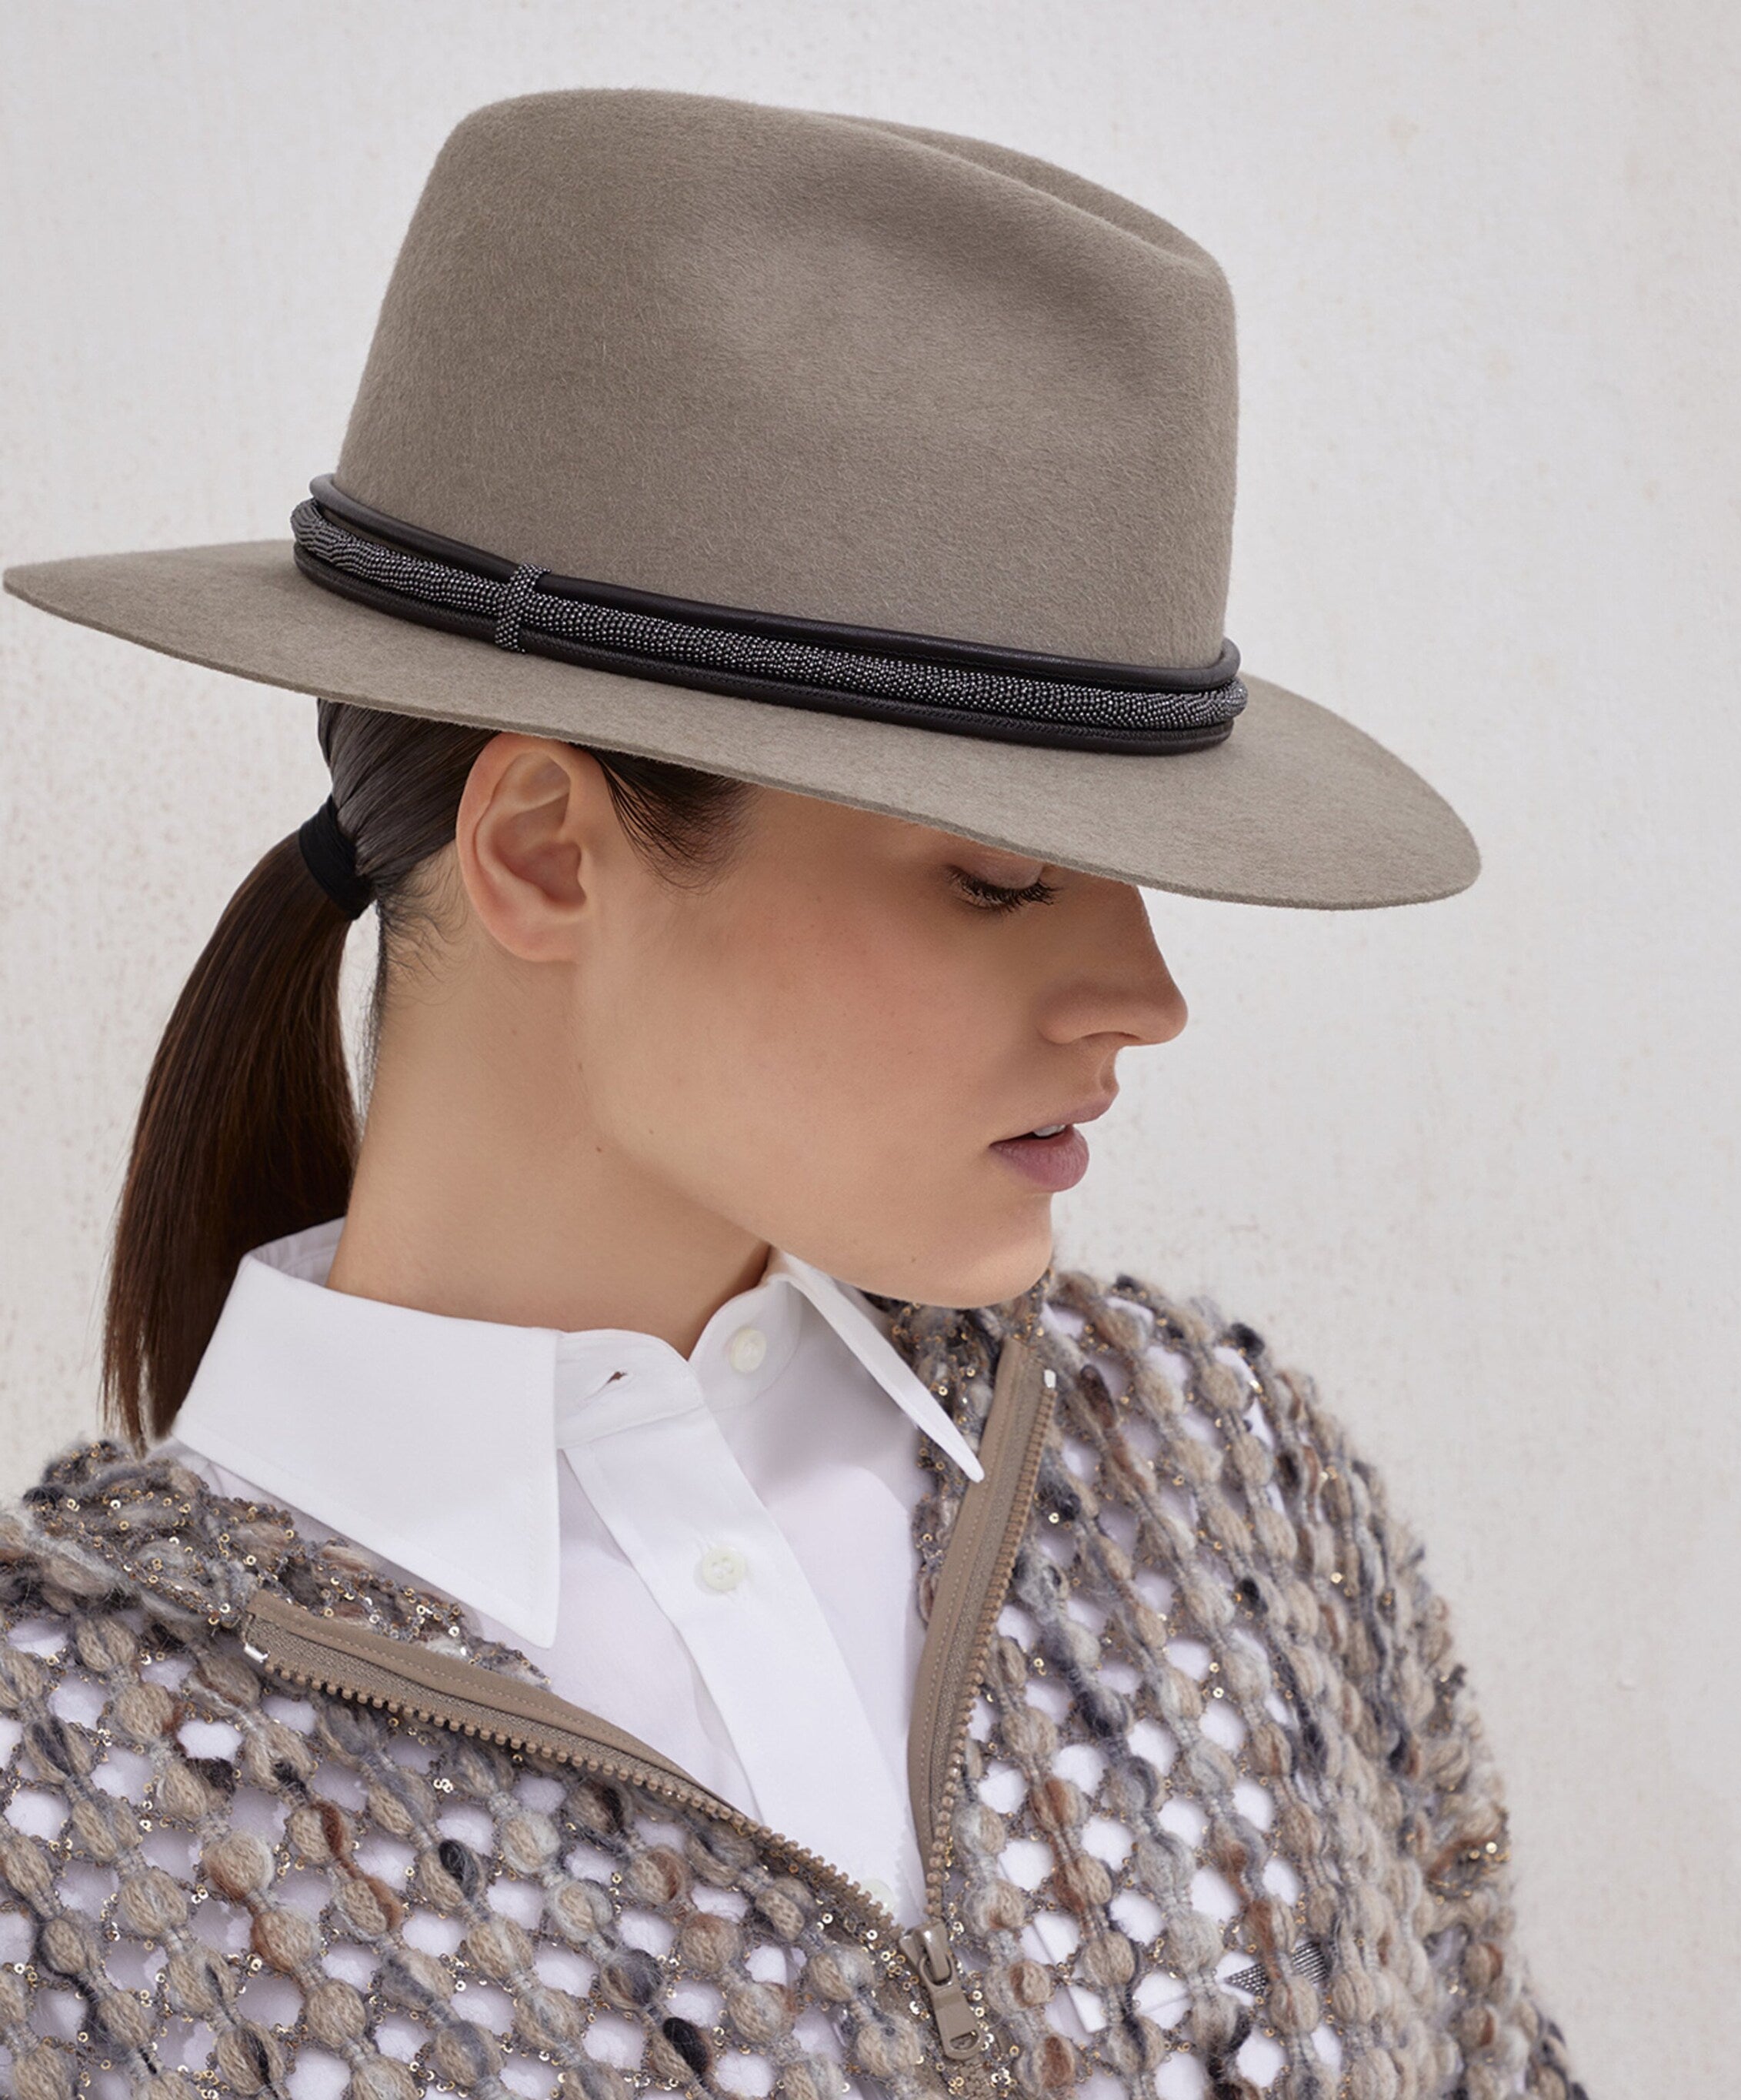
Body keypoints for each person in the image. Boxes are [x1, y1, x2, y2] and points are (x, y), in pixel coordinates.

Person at [0, 89, 1585, 2100]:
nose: (1148, 995)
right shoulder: (64, 1814)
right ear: (546, 851)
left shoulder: (1228, 1486)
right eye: (998, 878)